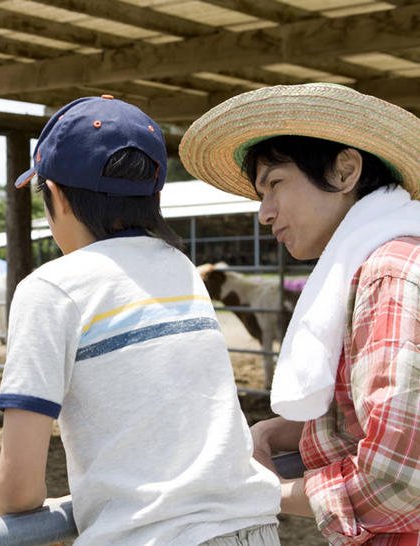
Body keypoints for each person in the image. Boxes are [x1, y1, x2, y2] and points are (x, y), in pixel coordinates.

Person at [0, 95, 281, 545]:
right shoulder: (181, 269)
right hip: (252, 530)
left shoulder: (49, 289)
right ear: (155, 195)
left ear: (54, 196)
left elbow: (18, 487)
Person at [179, 82, 420, 545]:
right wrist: (280, 431)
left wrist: (266, 490)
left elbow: (399, 480)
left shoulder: (386, 277)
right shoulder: (386, 263)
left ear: (345, 171)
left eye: (275, 184)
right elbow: (381, 409)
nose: (264, 214)